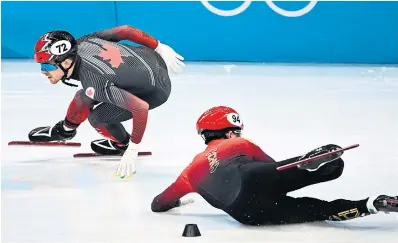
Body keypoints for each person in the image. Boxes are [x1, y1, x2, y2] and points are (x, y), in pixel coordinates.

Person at [151, 106, 397, 226]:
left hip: (246, 213)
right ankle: (309, 167)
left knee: (318, 210)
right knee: (330, 167)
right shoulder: (239, 144)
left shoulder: (190, 172)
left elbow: (158, 204)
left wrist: (175, 201)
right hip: (252, 177)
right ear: (229, 133)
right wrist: (294, 171)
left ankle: (371, 205)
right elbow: (273, 167)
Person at [29, 25, 184, 179]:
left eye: (47, 65)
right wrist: (159, 47)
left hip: (155, 91)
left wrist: (133, 147)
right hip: (152, 60)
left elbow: (140, 108)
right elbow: (126, 30)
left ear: (67, 63)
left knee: (97, 117)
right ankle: (66, 130)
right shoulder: (83, 41)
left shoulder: (95, 82)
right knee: (84, 95)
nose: (43, 71)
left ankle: (122, 144)